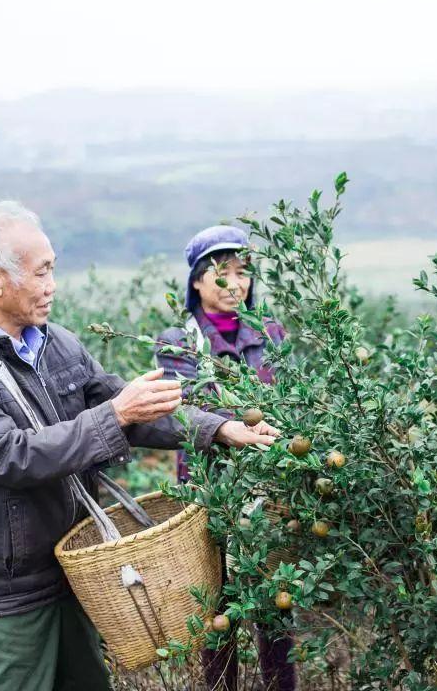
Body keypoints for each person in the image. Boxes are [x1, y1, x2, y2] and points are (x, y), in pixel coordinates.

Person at [0, 202, 278, 691]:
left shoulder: (56, 343)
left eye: (52, 270)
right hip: (10, 589)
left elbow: (133, 411)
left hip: (77, 567)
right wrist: (116, 413)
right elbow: (11, 456)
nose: (52, 285)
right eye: (41, 273)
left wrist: (217, 429)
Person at [156, 225, 294, 691]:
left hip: (269, 491)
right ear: (196, 280)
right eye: (222, 273)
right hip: (209, 491)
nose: (235, 283)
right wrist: (237, 426)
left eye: (243, 273)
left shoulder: (271, 333)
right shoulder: (178, 340)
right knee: (216, 610)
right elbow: (183, 411)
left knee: (276, 602)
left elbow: (293, 402)